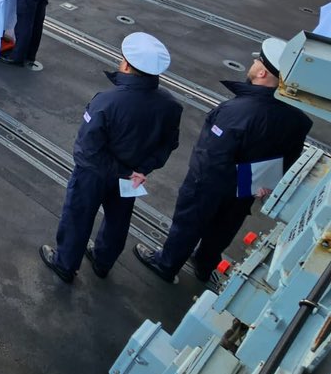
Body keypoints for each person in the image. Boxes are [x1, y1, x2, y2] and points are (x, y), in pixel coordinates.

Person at [134, 37, 312, 283]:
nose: (253, 61)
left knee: (187, 225)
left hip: (211, 184)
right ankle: (204, 266)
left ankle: (166, 264)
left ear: (262, 72)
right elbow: (287, 160)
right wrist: (251, 184)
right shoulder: (299, 121)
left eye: (257, 60)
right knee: (223, 231)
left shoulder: (235, 112)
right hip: (248, 186)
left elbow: (210, 157)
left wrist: (200, 186)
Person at [40, 33, 182, 283]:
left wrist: (117, 169)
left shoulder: (106, 102)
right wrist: (141, 170)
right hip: (133, 176)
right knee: (118, 219)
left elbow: (86, 149)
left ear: (127, 66)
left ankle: (65, 264)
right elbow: (168, 145)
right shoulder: (170, 106)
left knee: (78, 216)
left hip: (95, 174)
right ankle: (103, 262)